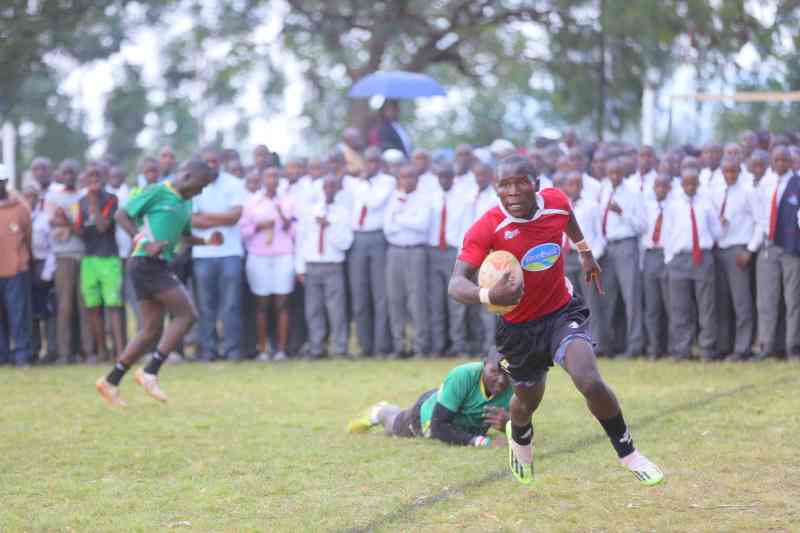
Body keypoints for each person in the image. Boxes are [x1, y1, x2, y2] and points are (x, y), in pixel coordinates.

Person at [448, 155, 663, 486]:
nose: (514, 191)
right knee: (527, 401)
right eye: (504, 185)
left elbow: (568, 220)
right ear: (496, 189)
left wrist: (585, 251)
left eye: (521, 182)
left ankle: (629, 453)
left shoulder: (556, 202)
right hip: (518, 329)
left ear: (537, 184)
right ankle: (519, 435)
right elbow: (456, 283)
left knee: (589, 379)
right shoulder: (487, 227)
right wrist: (489, 296)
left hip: (562, 312)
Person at [95, 160, 222, 406]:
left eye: (206, 187)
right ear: (186, 175)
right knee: (187, 315)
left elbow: (184, 236)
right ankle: (150, 371)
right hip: (145, 262)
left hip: (157, 264)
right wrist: (142, 241)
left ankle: (110, 381)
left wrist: (207, 242)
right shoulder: (156, 191)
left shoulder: (186, 202)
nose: (202, 190)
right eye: (201, 184)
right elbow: (121, 214)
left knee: (151, 330)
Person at [348, 348, 512, 448]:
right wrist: (482, 442)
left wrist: (508, 426)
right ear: (484, 364)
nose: (500, 380)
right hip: (427, 415)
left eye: (506, 374)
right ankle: (380, 411)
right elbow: (438, 427)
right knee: (395, 425)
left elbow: (524, 431)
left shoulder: (516, 389)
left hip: (451, 405)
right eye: (494, 371)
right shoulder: (464, 375)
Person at [191, 147, 246, 361]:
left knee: (231, 305)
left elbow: (235, 216)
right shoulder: (194, 186)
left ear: (221, 162)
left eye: (215, 161)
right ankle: (209, 350)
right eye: (207, 162)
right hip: (203, 254)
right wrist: (222, 216)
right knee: (205, 306)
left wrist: (207, 217)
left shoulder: (233, 183)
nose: (212, 165)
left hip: (230, 253)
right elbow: (193, 219)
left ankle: (232, 350)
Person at [662, 167, 722, 361]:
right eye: (687, 183)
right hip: (679, 259)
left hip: (702, 258)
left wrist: (707, 247)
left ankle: (707, 349)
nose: (690, 187)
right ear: (681, 184)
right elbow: (667, 233)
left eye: (693, 183)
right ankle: (682, 350)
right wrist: (670, 259)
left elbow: (717, 232)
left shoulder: (706, 204)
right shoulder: (673, 205)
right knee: (680, 308)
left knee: (707, 307)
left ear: (698, 184)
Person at [239, 166, 295, 361]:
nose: (272, 180)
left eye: (275, 176)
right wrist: (258, 226)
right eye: (268, 176)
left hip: (283, 255)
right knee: (261, 304)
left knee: (282, 303)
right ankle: (262, 349)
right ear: (262, 179)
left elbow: (295, 230)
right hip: (259, 256)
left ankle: (281, 349)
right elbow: (243, 231)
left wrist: (280, 212)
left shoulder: (287, 200)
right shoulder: (252, 202)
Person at [295, 175, 353, 359]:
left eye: (332, 187)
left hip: (333, 265)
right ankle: (316, 347)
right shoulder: (310, 211)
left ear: (337, 190)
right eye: (325, 187)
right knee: (313, 309)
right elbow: (301, 239)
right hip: (312, 265)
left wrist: (329, 227)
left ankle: (339, 347)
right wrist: (300, 268)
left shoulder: (343, 212)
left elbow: (345, 243)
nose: (328, 190)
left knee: (336, 310)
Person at [753, 146, 800, 360]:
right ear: (771, 161)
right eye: (777, 160)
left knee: (793, 299)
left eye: (784, 160)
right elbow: (760, 217)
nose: (780, 164)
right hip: (768, 246)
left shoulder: (797, 184)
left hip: (792, 249)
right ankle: (767, 346)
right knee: (767, 299)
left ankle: (793, 347)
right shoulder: (765, 184)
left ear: (791, 162)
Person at [74, 165, 125, 363]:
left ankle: (120, 352)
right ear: (85, 180)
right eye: (90, 176)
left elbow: (103, 227)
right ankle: (102, 351)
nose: (94, 179)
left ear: (104, 178)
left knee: (113, 305)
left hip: (109, 258)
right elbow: (79, 230)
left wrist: (94, 205)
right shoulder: (81, 202)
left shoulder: (111, 199)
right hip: (89, 260)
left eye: (98, 175)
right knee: (92, 307)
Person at [710, 156, 758, 361]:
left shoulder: (748, 192)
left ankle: (742, 348)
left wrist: (749, 250)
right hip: (719, 250)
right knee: (721, 301)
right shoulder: (715, 191)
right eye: (726, 172)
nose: (730, 175)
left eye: (733, 171)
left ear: (740, 171)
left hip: (739, 250)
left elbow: (760, 221)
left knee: (741, 301)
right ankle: (724, 346)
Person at [597, 159, 646, 357]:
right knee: (607, 298)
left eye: (618, 173)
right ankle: (608, 345)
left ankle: (635, 346)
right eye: (611, 173)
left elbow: (642, 225)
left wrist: (622, 212)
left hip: (626, 245)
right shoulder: (604, 190)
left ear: (624, 172)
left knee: (631, 297)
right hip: (606, 247)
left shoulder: (633, 193)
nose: (614, 176)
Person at [349, 146, 395, 357]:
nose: (371, 166)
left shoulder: (388, 182)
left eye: (375, 162)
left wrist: (364, 181)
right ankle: (364, 346)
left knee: (380, 295)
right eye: (368, 162)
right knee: (359, 294)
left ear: (381, 164)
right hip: (357, 237)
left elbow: (374, 203)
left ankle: (381, 346)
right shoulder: (355, 183)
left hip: (377, 237)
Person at [383, 165, 431, 358]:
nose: (407, 181)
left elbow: (422, 225)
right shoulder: (393, 198)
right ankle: (400, 346)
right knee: (395, 299)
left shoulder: (424, 198)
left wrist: (399, 219)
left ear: (417, 179)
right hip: (394, 251)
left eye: (411, 177)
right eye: (403, 177)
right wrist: (405, 217)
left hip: (415, 252)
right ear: (399, 180)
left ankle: (420, 346)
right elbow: (387, 228)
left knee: (416, 300)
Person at [427, 164, 474, 358]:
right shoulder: (431, 198)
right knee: (436, 301)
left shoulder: (462, 199)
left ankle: (459, 344)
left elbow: (467, 228)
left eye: (448, 176)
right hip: (433, 251)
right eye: (441, 177)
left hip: (453, 252)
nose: (444, 180)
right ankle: (439, 344)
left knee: (456, 302)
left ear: (453, 178)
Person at [46, 159, 88, 363]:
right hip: (63, 256)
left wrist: (68, 223)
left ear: (78, 175)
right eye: (66, 172)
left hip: (84, 255)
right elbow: (53, 225)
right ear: (60, 175)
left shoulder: (83, 197)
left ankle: (87, 351)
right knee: (64, 305)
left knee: (84, 304)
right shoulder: (52, 197)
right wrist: (71, 225)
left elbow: (82, 231)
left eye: (73, 172)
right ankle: (64, 353)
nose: (69, 176)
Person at [0, 164, 33, 367]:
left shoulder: (20, 208)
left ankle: (22, 355)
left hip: (16, 270)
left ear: (6, 183)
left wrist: (26, 261)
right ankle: (2, 356)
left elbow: (28, 236)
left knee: (18, 314)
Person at [22, 183, 57, 364]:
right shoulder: (21, 217)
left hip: (43, 265)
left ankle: (51, 350)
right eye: (26, 196)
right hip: (25, 266)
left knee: (48, 310)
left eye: (32, 196)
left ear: (38, 198)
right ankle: (34, 349)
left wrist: (48, 272)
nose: (29, 199)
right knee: (31, 311)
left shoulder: (44, 218)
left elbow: (52, 246)